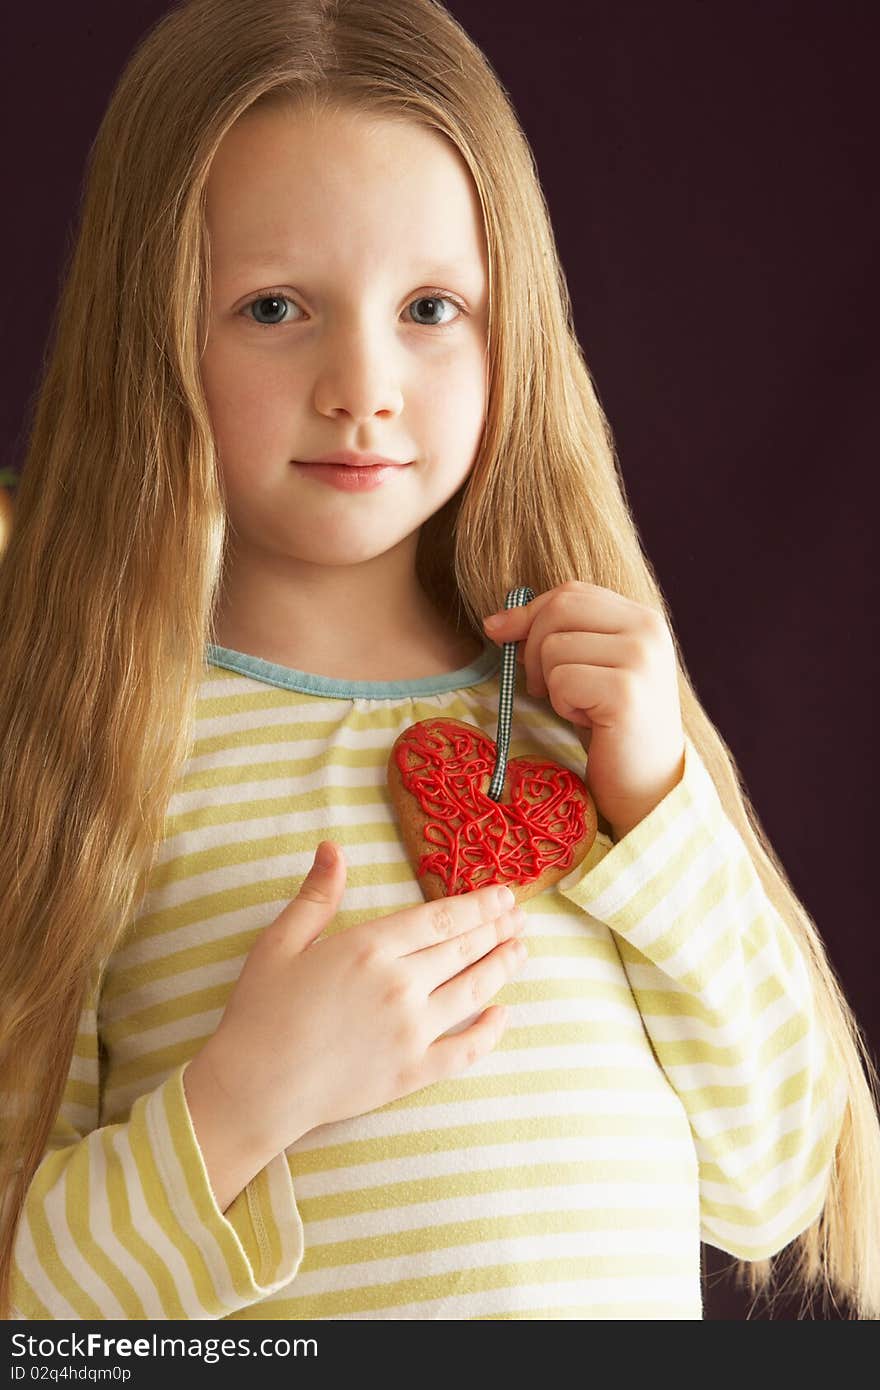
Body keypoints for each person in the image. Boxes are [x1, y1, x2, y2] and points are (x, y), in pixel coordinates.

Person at [0, 0, 877, 1323]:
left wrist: (659, 802)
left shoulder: (586, 734)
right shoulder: (82, 751)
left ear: (508, 326)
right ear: (155, 328)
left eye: (429, 306)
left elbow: (772, 1181)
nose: (363, 383)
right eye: (276, 306)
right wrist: (246, 1096)